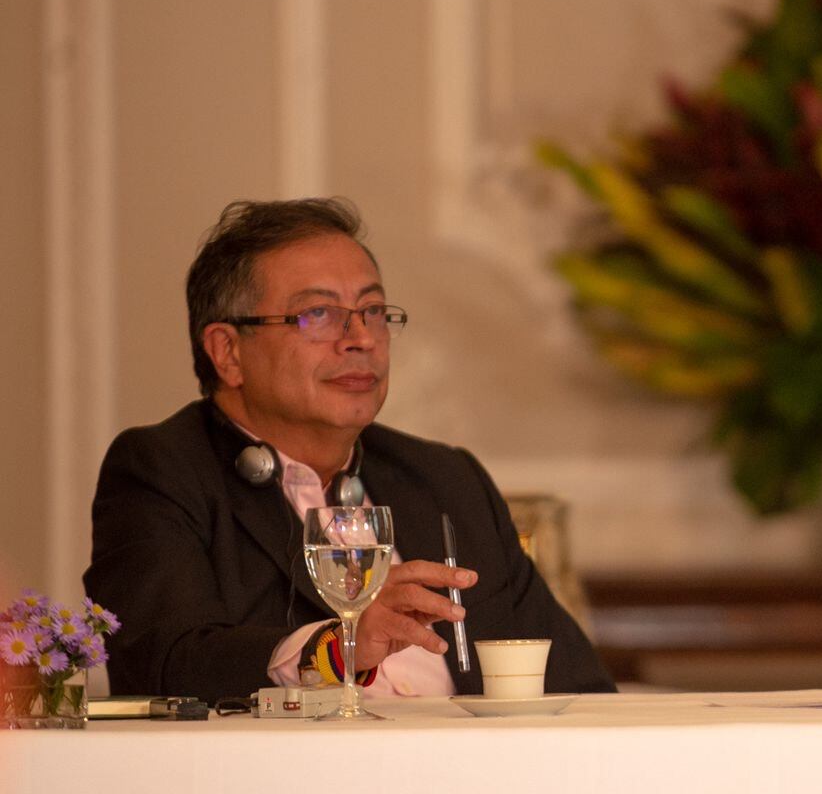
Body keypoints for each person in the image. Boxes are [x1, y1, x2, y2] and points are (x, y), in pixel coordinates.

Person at [84, 198, 613, 704]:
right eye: (317, 314)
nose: (359, 337)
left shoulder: (445, 478)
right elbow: (161, 664)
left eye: (373, 310)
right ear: (228, 351)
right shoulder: (164, 471)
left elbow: (577, 687)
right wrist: (337, 648)